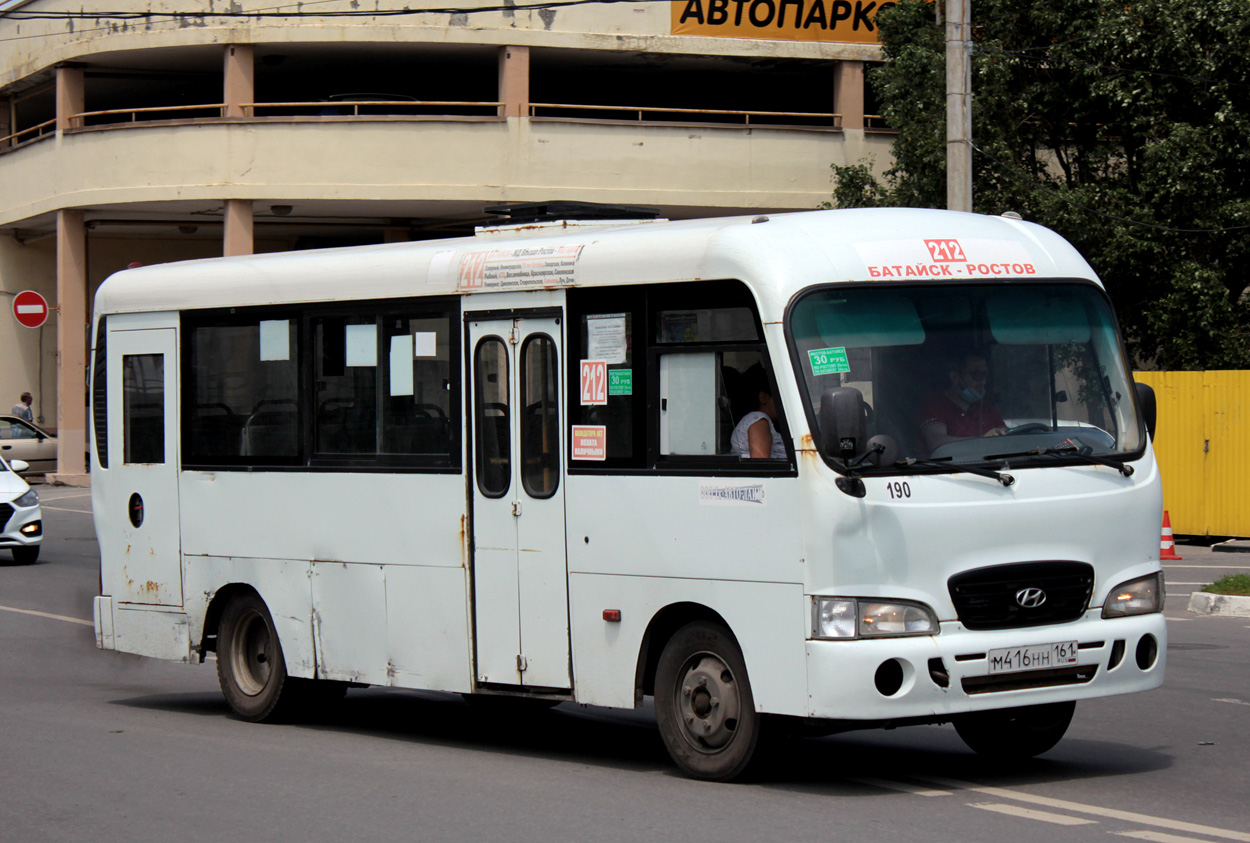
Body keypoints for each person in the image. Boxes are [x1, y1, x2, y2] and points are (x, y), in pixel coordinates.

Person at [918, 352, 1007, 454]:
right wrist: (982, 440)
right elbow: (937, 443)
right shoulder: (934, 404)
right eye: (977, 375)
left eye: (985, 375)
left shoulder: (987, 408)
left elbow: (1008, 437)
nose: (983, 382)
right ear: (956, 377)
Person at [730, 364, 786, 459]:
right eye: (781, 397)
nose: (785, 403)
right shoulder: (758, 421)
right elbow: (762, 464)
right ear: (763, 397)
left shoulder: (759, 420)